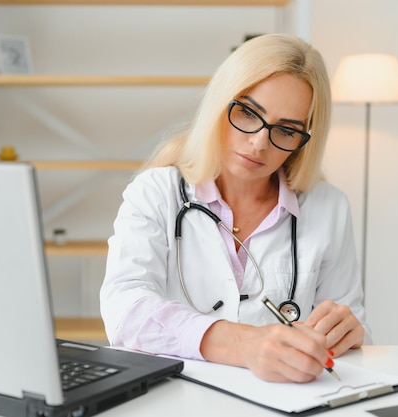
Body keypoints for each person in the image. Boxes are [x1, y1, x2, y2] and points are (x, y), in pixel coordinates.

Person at [100, 33, 371, 383]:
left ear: (304, 141)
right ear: (219, 103)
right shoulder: (157, 192)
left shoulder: (328, 206)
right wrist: (245, 345)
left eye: (286, 131)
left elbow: (353, 338)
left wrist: (348, 333)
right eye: (247, 112)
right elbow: (125, 310)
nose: (259, 143)